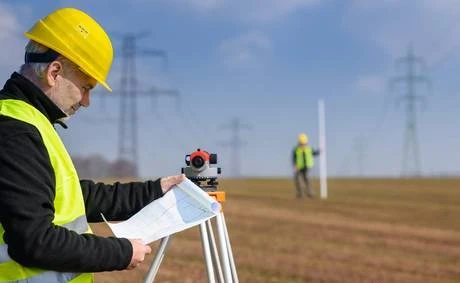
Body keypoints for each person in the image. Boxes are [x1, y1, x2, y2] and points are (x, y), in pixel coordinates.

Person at [0, 7, 185, 282]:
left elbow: (77, 197)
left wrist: (156, 190)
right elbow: (34, 240)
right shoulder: (15, 131)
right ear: (54, 71)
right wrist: (120, 252)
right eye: (86, 87)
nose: (86, 102)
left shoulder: (29, 121)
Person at [292, 133, 320, 198]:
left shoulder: (309, 149)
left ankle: (309, 192)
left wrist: (319, 151)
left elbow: (314, 153)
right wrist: (295, 165)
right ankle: (300, 193)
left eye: (304, 143)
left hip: (307, 167)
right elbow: (294, 158)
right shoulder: (296, 149)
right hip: (298, 167)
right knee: (298, 180)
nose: (303, 145)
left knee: (307, 179)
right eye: (301, 143)